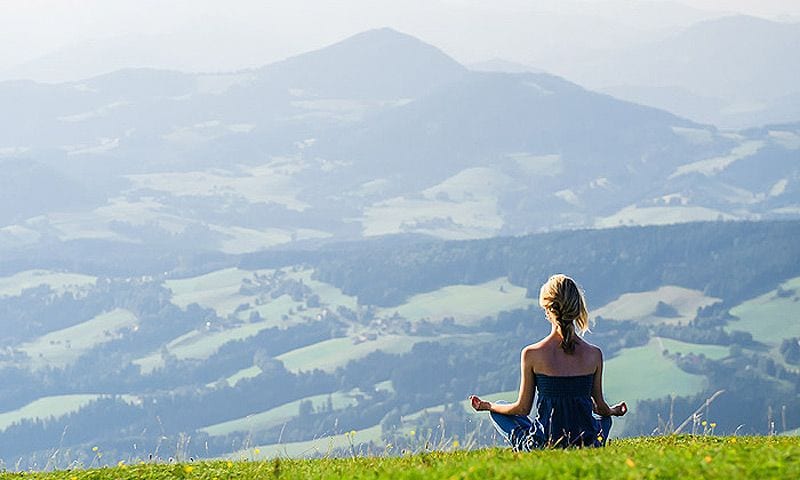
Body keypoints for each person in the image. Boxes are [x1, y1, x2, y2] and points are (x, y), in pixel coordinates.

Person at [470, 274, 627, 450]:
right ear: (577, 308)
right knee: (604, 421)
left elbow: (522, 409)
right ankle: (591, 443)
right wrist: (614, 411)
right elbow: (600, 408)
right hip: (587, 442)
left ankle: (525, 447)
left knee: (500, 409)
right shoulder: (594, 354)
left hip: (545, 444)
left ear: (547, 309)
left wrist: (488, 406)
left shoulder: (532, 354)